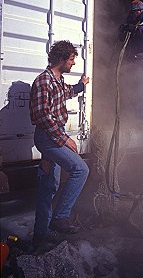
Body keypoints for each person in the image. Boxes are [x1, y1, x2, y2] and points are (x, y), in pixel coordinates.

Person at [30, 40, 89, 247]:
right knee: (81, 169)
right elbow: (42, 116)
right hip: (48, 138)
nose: (73, 63)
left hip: (53, 136)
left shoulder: (58, 80)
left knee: (49, 186)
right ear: (62, 59)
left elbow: (67, 92)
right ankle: (60, 218)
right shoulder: (43, 81)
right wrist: (65, 140)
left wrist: (82, 85)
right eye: (72, 59)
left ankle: (40, 237)